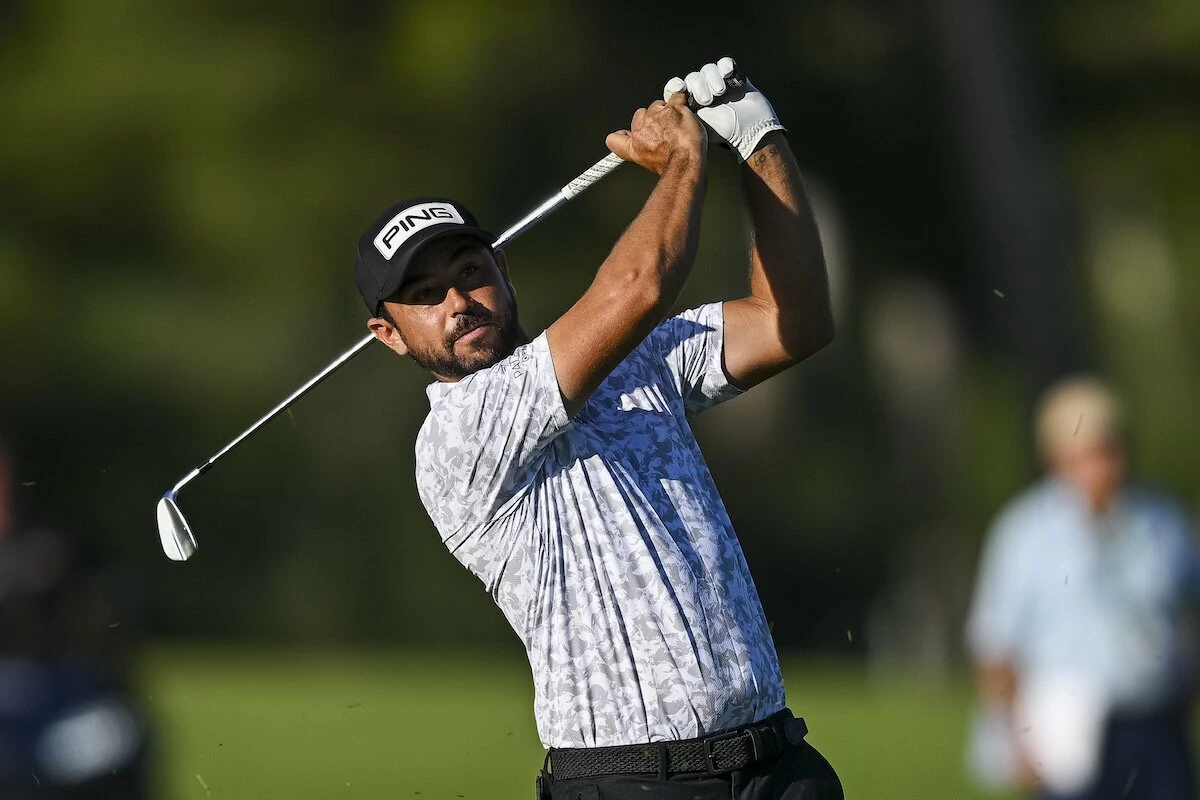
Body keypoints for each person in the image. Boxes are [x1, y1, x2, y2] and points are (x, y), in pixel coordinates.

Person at [355, 58, 841, 799]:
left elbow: (793, 322)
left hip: (776, 765)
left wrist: (758, 141)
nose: (458, 301)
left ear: (503, 268)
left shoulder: (634, 360)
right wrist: (683, 159)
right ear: (388, 335)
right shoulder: (455, 440)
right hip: (628, 782)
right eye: (423, 295)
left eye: (469, 272)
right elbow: (640, 285)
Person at [965, 377, 1200, 800]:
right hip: (1066, 737)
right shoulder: (1025, 532)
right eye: (1088, 454)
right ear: (1057, 459)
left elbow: (1188, 617)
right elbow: (996, 645)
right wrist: (1015, 739)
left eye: (1111, 450)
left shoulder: (1164, 523)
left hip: (1156, 727)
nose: (1105, 468)